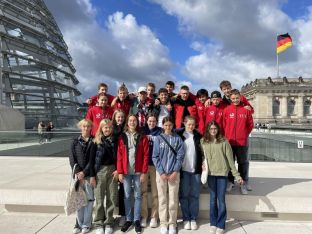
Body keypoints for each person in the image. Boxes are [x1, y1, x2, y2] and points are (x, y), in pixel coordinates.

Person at [201, 121, 243, 234]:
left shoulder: (224, 142)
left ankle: (221, 225)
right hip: (210, 175)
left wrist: (237, 176)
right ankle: (213, 223)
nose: (213, 131)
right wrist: (203, 163)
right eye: (211, 129)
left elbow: (230, 160)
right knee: (212, 200)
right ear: (208, 130)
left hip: (222, 175)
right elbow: (202, 156)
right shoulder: (203, 141)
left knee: (221, 200)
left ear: (218, 129)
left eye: (215, 128)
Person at [117, 115, 149, 234]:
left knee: (137, 196)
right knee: (126, 195)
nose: (132, 122)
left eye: (134, 120)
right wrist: (120, 171)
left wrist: (144, 172)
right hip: (125, 172)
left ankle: (136, 219)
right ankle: (129, 219)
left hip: (138, 172)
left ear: (137, 122)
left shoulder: (142, 137)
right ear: (127, 122)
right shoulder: (122, 137)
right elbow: (119, 155)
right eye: (130, 120)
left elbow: (146, 155)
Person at [152, 117, 185, 234]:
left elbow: (180, 156)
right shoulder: (158, 139)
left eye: (170, 125)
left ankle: (172, 223)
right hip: (161, 174)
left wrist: (175, 171)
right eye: (166, 125)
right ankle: (163, 223)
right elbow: (155, 157)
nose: (168, 127)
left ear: (173, 126)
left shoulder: (178, 139)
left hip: (174, 174)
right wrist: (161, 172)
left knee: (173, 200)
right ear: (163, 126)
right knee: (162, 199)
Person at [223, 89, 254, 195]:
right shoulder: (227, 110)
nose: (235, 100)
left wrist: (244, 135)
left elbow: (250, 125)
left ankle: (243, 183)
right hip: (230, 142)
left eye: (237, 98)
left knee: (243, 164)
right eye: (233, 98)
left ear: (240, 97)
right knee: (230, 163)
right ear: (230, 99)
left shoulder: (246, 110)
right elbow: (223, 125)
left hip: (241, 142)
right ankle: (230, 181)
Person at [69, 119, 96, 234]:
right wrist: (78, 173)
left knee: (89, 200)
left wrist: (84, 173)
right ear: (81, 127)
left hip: (88, 175)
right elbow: (72, 158)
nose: (86, 128)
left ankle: (86, 224)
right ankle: (78, 224)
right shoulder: (74, 142)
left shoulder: (94, 141)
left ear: (91, 128)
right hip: (77, 176)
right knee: (79, 200)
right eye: (84, 126)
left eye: (88, 126)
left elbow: (92, 160)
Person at [176, 116, 203, 230]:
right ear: (184, 124)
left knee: (195, 196)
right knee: (184, 195)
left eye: (193, 124)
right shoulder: (179, 136)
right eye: (189, 124)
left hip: (196, 170)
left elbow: (203, 152)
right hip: (184, 171)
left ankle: (193, 218)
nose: (191, 126)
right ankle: (186, 218)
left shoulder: (198, 136)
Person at [92, 119, 118, 234]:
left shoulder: (115, 140)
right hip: (100, 171)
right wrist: (92, 175)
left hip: (112, 170)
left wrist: (118, 169)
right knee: (99, 198)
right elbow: (91, 159)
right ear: (101, 128)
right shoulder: (96, 141)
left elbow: (119, 156)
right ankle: (98, 223)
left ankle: (109, 222)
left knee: (112, 197)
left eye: (109, 127)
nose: (107, 129)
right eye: (105, 127)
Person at [141, 114, 162, 228]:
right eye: (150, 121)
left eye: (154, 121)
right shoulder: (142, 131)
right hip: (144, 166)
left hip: (155, 166)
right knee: (143, 192)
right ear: (146, 121)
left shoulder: (160, 131)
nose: (151, 123)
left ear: (156, 121)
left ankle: (154, 216)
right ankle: (144, 216)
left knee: (155, 192)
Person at [111, 109, 127, 227]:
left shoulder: (126, 130)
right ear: (114, 118)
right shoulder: (110, 130)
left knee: (123, 191)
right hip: (112, 165)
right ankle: (109, 216)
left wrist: (120, 168)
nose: (120, 119)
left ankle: (123, 214)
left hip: (123, 165)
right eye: (118, 117)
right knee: (111, 192)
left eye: (122, 117)